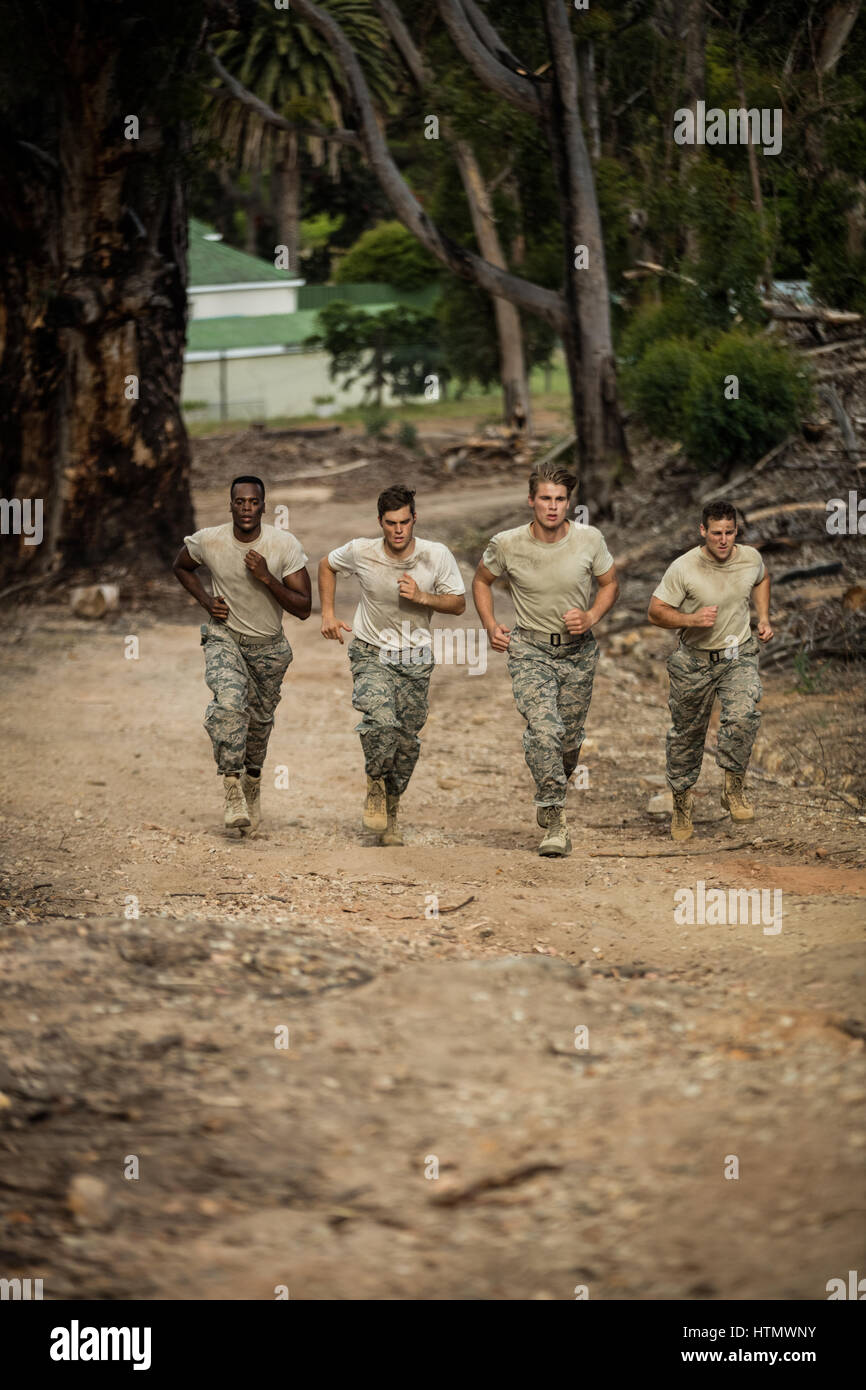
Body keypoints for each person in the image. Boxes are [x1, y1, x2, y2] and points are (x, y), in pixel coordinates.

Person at [472, 462, 619, 857]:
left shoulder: (590, 540)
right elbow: (481, 580)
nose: (552, 507)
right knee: (544, 730)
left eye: (560, 500)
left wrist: (591, 616)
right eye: (545, 499)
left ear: (568, 503)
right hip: (530, 650)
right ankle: (554, 817)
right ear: (531, 501)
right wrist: (490, 625)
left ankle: (554, 780)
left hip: (578, 652)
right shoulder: (507, 543)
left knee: (569, 741)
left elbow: (609, 585)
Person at [319, 484, 465, 845]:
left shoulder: (436, 555)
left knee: (405, 740)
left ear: (414, 519)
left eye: (404, 522)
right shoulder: (361, 551)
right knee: (381, 722)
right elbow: (326, 565)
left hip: (415, 657)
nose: (398, 530)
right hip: (371, 651)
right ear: (380, 522)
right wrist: (327, 613)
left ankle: (392, 808)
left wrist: (422, 597)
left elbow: (458, 604)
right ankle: (374, 784)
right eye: (390, 523)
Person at [172, 475, 311, 833]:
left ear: (263, 506)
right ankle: (231, 786)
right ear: (230, 504)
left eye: (253, 502)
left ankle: (252, 779)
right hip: (225, 638)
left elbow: (304, 607)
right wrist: (206, 602)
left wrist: (266, 577)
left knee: (259, 723)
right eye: (240, 502)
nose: (246, 508)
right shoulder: (210, 540)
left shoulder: (283, 545)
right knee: (230, 703)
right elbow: (181, 566)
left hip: (268, 648)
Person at [647, 500, 773, 841]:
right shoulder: (684, 567)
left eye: (729, 533)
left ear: (736, 532)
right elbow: (655, 612)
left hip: (738, 655)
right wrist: (690, 619)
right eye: (716, 533)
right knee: (687, 736)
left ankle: (732, 786)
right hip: (694, 661)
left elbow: (762, 579)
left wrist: (763, 618)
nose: (723, 540)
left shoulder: (749, 558)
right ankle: (682, 802)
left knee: (744, 715)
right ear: (703, 531)